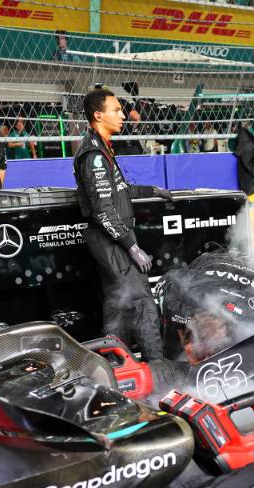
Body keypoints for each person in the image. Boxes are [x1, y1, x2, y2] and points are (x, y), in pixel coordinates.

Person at [73, 86, 173, 360]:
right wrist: (132, 247)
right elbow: (103, 209)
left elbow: (120, 191)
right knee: (141, 301)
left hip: (113, 237)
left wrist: (153, 191)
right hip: (111, 240)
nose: (123, 115)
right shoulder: (93, 155)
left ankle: (116, 363)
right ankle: (157, 366)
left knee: (118, 304)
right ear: (98, 115)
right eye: (115, 110)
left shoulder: (102, 148)